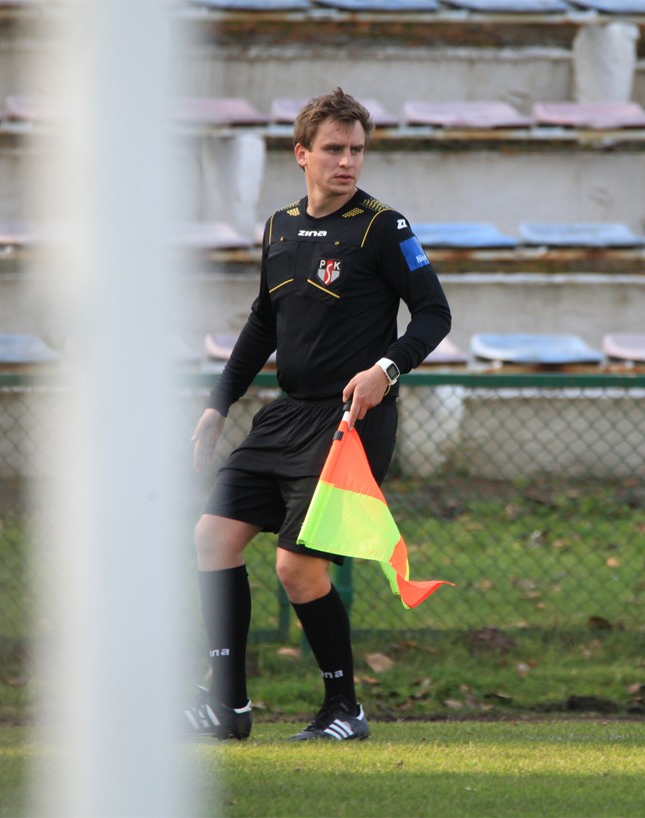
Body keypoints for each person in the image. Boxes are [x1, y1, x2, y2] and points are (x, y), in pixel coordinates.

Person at [184, 88, 451, 742]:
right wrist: (219, 402)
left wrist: (386, 370)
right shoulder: (279, 227)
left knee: (297, 568)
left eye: (357, 150)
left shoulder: (383, 228)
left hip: (349, 426)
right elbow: (262, 322)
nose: (347, 162)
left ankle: (344, 708)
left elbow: (434, 314)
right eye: (334, 149)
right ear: (301, 153)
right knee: (212, 538)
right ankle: (227, 705)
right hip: (286, 417)